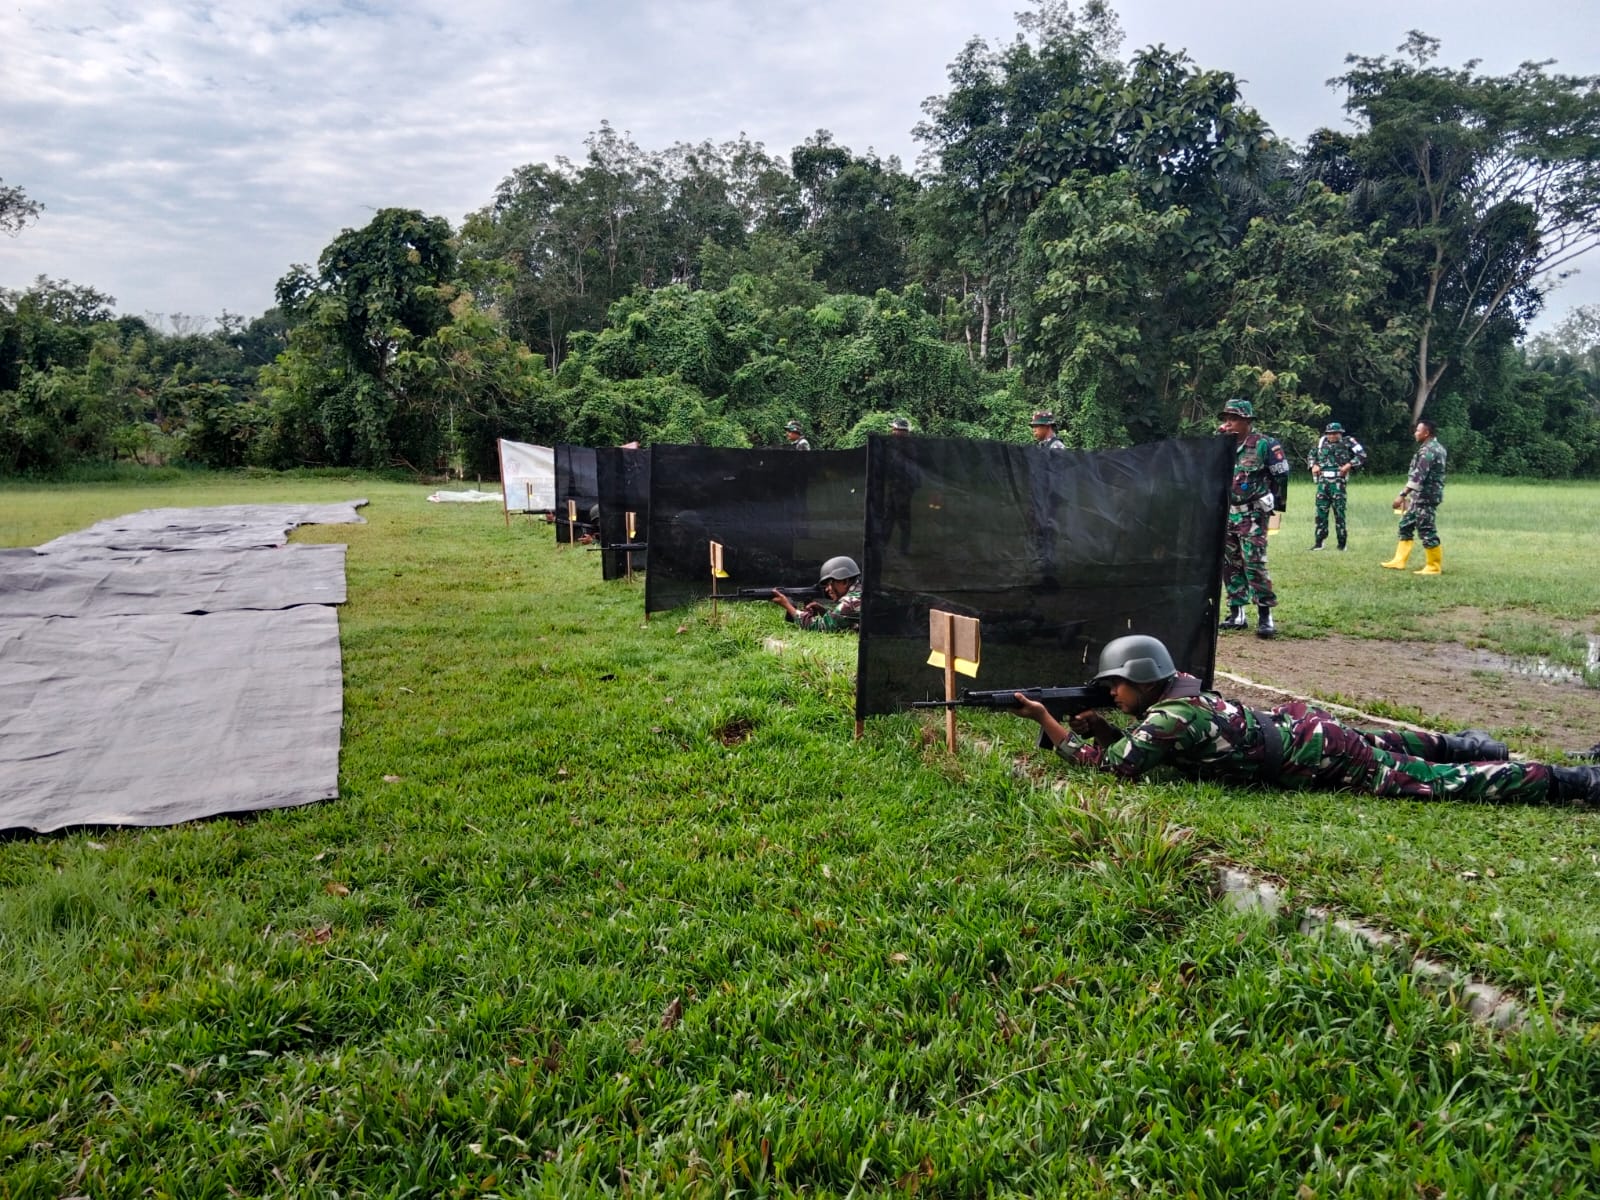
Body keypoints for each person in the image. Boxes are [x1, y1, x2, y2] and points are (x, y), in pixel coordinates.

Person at [1007, 634, 1600, 805]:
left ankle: (1572, 781)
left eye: (1114, 686)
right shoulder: (1179, 697)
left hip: (1315, 753)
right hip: (1303, 732)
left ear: (1138, 680)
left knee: (1426, 778)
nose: (1111, 694)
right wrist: (1100, 724)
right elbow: (1141, 743)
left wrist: (1048, 722)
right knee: (1390, 742)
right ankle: (1468, 742)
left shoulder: (1168, 718)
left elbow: (1111, 769)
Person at [1217, 398, 1289, 638]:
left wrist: (1275, 504)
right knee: (1229, 564)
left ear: (1247, 421)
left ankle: (1265, 615)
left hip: (1253, 513)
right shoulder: (1221, 444)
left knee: (1254, 562)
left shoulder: (1264, 445)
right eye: (1227, 418)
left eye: (1234, 418)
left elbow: (1281, 476)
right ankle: (1236, 613)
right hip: (1227, 513)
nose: (1229, 423)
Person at [1382, 417, 1446, 574]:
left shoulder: (1429, 450)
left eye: (1418, 430)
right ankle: (1399, 561)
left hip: (1426, 496)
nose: (1415, 433)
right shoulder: (1437, 447)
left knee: (1426, 528)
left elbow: (1418, 476)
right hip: (1421, 496)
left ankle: (1433, 566)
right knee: (1406, 525)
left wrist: (1402, 495)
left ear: (1426, 432)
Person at [1306, 421, 1367, 551]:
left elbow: (1361, 454)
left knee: (1339, 513)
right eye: (1329, 434)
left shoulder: (1348, 441)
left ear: (1340, 433)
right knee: (1320, 512)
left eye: (1335, 433)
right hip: (1323, 482)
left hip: (1338, 481)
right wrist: (1313, 465)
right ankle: (1319, 542)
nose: (1332, 436)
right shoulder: (1321, 442)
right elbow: (1311, 455)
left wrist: (1349, 465)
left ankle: (1342, 543)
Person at [770, 555, 862, 632]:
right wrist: (823, 611)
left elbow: (820, 627)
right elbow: (846, 622)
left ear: (845, 581)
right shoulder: (860, 594)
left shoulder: (850, 603)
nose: (826, 590)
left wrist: (788, 606)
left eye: (829, 584)